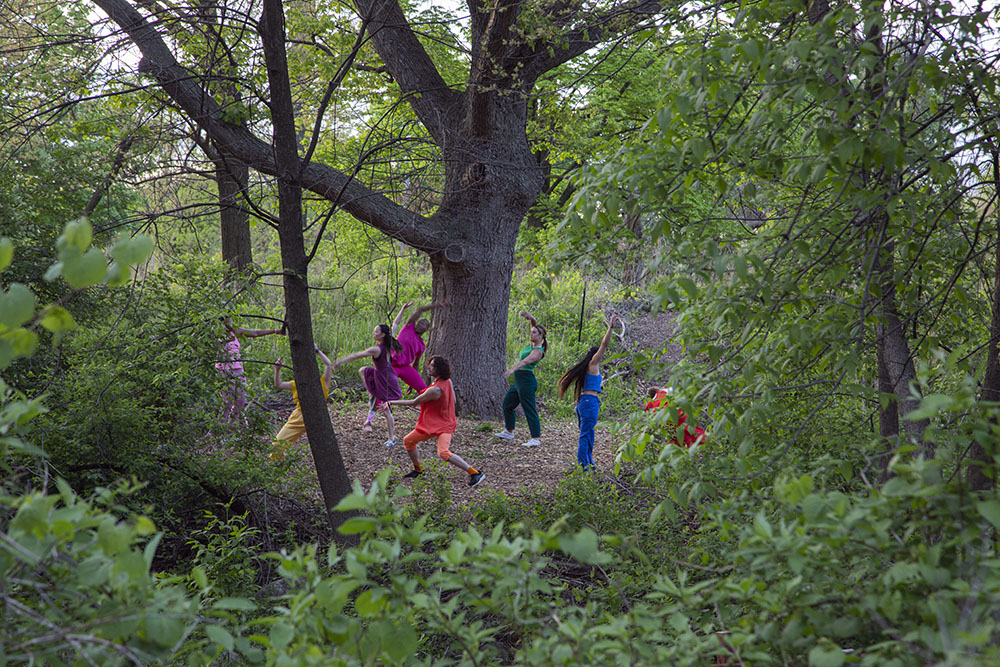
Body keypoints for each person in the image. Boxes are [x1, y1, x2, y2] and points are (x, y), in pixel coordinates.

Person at [388, 355, 485, 487]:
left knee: (443, 452)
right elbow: (453, 401)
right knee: (409, 441)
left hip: (444, 425)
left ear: (439, 370)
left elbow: (413, 402)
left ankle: (475, 473)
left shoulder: (435, 389)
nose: (428, 367)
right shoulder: (446, 381)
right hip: (433, 424)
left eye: (432, 366)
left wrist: (391, 402)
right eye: (429, 364)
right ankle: (418, 471)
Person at [557, 315, 618, 470]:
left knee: (589, 434)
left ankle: (589, 463)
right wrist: (610, 328)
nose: (601, 357)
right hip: (589, 403)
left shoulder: (587, 368)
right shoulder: (593, 364)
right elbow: (604, 344)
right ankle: (583, 465)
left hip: (586, 403)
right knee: (586, 435)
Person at [333, 324, 403, 447]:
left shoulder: (377, 349)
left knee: (386, 410)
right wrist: (402, 309)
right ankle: (372, 393)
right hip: (384, 374)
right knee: (363, 370)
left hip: (385, 380)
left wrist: (340, 361)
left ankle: (391, 438)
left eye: (376, 332)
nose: (373, 334)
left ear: (382, 335)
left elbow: (358, 355)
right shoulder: (389, 343)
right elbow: (395, 325)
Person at [216, 315, 284, 424]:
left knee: (241, 400)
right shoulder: (217, 333)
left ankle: (232, 427)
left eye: (231, 319)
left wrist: (276, 331)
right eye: (229, 320)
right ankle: (219, 429)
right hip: (224, 370)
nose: (231, 322)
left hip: (238, 369)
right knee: (227, 402)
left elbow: (255, 333)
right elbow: (218, 343)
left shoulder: (236, 331)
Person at [495, 311, 547, 447]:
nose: (531, 333)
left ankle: (535, 438)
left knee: (529, 408)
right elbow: (534, 327)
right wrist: (532, 318)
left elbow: (525, 361)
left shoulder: (538, 351)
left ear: (541, 336)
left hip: (526, 381)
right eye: (532, 332)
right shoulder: (531, 344)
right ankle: (509, 431)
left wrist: (512, 369)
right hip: (518, 381)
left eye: (535, 333)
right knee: (507, 404)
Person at [272, 344, 333, 460]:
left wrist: (317, 350)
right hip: (299, 417)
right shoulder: (297, 383)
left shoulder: (322, 381)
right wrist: (277, 370)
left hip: (317, 417)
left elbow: (329, 365)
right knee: (276, 445)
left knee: (324, 449)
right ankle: (280, 464)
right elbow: (278, 384)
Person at [390, 300, 449, 396]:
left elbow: (416, 364)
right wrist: (438, 305)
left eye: (423, 325)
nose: (420, 325)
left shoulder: (421, 345)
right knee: (385, 388)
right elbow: (420, 310)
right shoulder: (408, 328)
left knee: (423, 390)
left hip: (405, 367)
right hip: (392, 364)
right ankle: (374, 410)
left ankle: (426, 408)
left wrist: (411, 383)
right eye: (419, 323)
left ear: (427, 329)